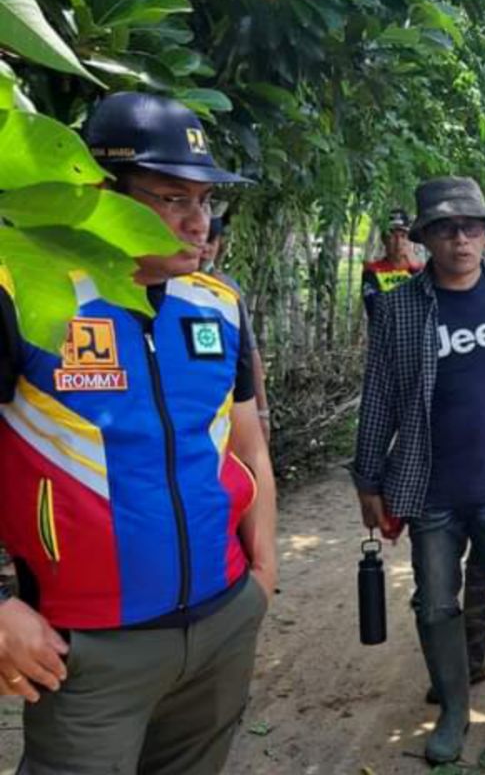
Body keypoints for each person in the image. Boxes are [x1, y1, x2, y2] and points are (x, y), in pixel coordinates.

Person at [0, 92, 277, 771]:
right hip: (89, 647)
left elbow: (248, 448)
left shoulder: (218, 305)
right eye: (170, 198)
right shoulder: (25, 294)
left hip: (222, 624)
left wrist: (262, 579)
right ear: (101, 193)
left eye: (205, 201)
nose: (196, 223)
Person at [352, 176, 485, 764]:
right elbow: (381, 397)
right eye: (445, 229)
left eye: (470, 228)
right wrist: (369, 479)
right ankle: (456, 710)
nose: (460, 240)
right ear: (425, 239)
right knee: (436, 601)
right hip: (432, 487)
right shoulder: (398, 308)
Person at [198, 216, 272, 443]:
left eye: (212, 240)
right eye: (204, 239)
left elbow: (249, 353)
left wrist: (262, 412)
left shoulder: (227, 290)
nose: (206, 247)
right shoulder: (160, 287)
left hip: (226, 405)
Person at [361, 208, 423, 321]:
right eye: (392, 236)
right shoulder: (372, 271)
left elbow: (430, 303)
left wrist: (417, 270)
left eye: (403, 236)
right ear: (384, 239)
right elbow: (374, 309)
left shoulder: (421, 270)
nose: (398, 242)